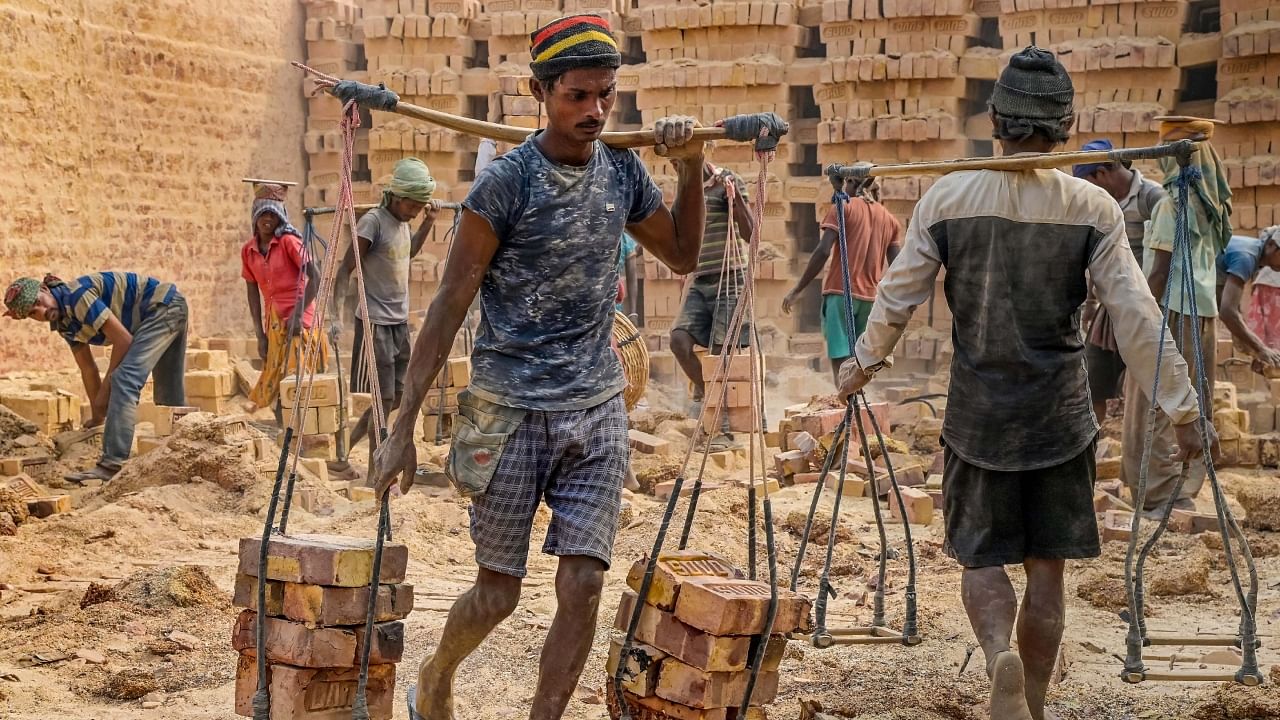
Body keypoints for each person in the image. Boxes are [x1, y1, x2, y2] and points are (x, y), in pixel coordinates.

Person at [836, 47, 1216, 720]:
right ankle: (1033, 698)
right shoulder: (1093, 207)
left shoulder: (947, 196)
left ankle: (994, 657)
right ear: (1067, 125)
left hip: (978, 414)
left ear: (994, 120)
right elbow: (1134, 316)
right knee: (1048, 571)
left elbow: (896, 298)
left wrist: (859, 366)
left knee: (980, 561)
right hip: (1060, 418)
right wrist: (1183, 408)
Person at [366, 15, 707, 720]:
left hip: (596, 406)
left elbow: (679, 255)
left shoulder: (621, 171)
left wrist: (692, 168)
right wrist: (401, 429)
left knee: (583, 585)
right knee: (498, 591)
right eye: (577, 96)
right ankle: (436, 673)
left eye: (605, 96)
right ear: (540, 92)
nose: (594, 111)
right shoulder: (506, 186)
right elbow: (448, 309)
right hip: (509, 410)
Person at [1120, 116, 1233, 513]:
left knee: (1156, 399)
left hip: (1169, 311)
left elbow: (1160, 272)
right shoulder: (1210, 203)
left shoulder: (1172, 205)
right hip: (1202, 311)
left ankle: (1157, 492)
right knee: (1195, 395)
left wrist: (1139, 324)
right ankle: (1183, 488)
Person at [4, 273, 188, 483]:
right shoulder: (65, 324)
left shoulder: (76, 297)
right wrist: (98, 415)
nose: (42, 312)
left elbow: (124, 341)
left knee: (124, 378)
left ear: (45, 289)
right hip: (163, 309)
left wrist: (104, 393)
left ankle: (111, 464)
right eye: (32, 313)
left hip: (163, 307)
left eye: (39, 302)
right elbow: (87, 368)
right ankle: (184, 446)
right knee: (169, 395)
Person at [330, 157, 439, 462]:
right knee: (381, 399)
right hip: (374, 323)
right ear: (395, 195)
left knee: (400, 395)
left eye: (421, 205)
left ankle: (343, 451)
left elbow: (408, 253)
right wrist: (334, 317)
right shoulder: (373, 222)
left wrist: (429, 223)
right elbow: (344, 269)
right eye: (412, 204)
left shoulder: (404, 223)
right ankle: (373, 469)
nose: (416, 210)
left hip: (399, 323)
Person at [1073, 139, 1166, 422]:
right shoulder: (1100, 205)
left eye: (1090, 182)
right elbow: (1091, 253)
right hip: (1110, 309)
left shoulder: (1152, 198)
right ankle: (1095, 443)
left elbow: (1163, 264)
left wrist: (1146, 313)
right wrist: (1090, 301)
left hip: (1145, 305)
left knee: (1145, 385)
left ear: (1103, 172)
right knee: (1093, 381)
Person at [782, 173, 900, 384]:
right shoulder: (890, 220)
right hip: (870, 299)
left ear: (853, 183)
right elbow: (898, 267)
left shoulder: (843, 209)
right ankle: (859, 398)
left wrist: (797, 289)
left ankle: (847, 400)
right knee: (860, 357)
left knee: (840, 354)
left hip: (840, 294)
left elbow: (823, 250)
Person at [669, 161, 754, 436]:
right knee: (679, 341)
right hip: (699, 279)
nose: (674, 165)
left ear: (699, 155)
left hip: (729, 277)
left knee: (721, 353)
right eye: (671, 161)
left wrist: (735, 197)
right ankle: (707, 392)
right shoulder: (687, 190)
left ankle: (725, 422)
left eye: (678, 159)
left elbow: (750, 232)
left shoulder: (728, 181)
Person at [241, 183, 327, 412]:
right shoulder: (249, 250)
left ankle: (301, 437)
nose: (268, 219)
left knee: (297, 381)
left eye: (273, 214)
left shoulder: (289, 242)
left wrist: (297, 314)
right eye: (263, 213)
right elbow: (252, 292)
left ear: (280, 217)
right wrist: (260, 334)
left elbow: (315, 277)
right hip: (275, 322)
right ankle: (284, 436)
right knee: (279, 384)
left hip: (300, 320)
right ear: (255, 215)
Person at [1217, 228, 1280, 369]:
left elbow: (1226, 301)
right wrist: (1261, 349)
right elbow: (1227, 311)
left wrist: (1251, 346)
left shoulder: (1253, 254)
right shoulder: (1247, 257)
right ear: (1271, 245)